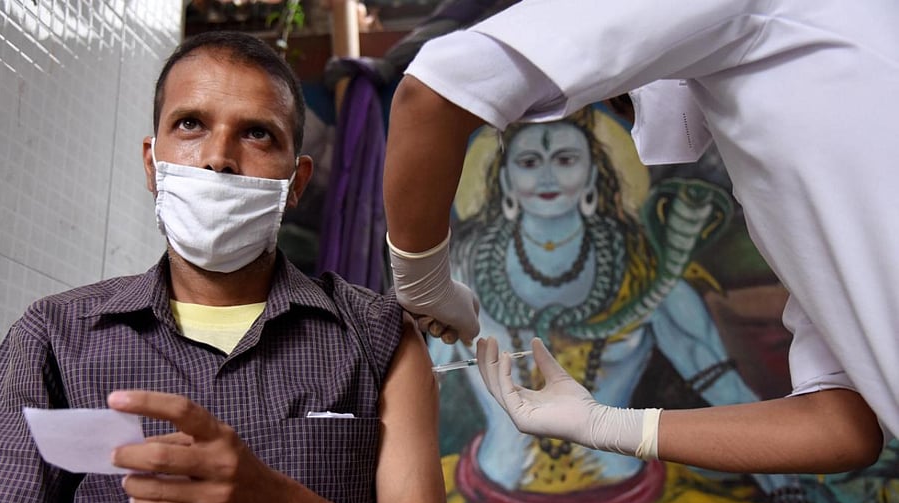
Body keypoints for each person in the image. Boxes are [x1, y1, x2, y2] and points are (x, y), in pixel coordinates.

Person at [383, 0, 894, 476]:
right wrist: (603, 425)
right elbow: (841, 424)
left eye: (565, 157)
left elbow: (436, 90)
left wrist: (423, 283)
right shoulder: (790, 160)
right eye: (528, 160)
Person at [0, 31, 445, 503]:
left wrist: (275, 499)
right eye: (191, 124)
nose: (218, 159)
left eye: (257, 133)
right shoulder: (53, 339)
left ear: (297, 182)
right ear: (152, 165)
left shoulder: (378, 340)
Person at [432, 106, 803, 503]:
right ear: (504, 180)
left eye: (565, 159)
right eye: (528, 161)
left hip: (632, 488)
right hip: (485, 486)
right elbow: (421, 387)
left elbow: (724, 388)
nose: (547, 175)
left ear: (593, 174)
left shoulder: (646, 280)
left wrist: (784, 487)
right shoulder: (458, 279)